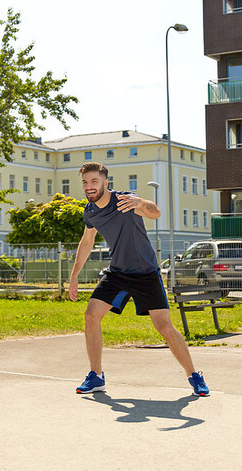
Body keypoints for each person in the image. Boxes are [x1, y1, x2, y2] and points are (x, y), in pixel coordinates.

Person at [68, 162, 209, 398]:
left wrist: (140, 203)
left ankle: (194, 375)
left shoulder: (125, 200)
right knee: (91, 314)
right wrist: (74, 276)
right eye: (85, 182)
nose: (89, 186)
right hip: (118, 272)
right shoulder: (90, 212)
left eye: (94, 181)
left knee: (163, 326)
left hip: (145, 272)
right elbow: (87, 241)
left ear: (105, 182)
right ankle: (96, 376)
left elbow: (155, 212)